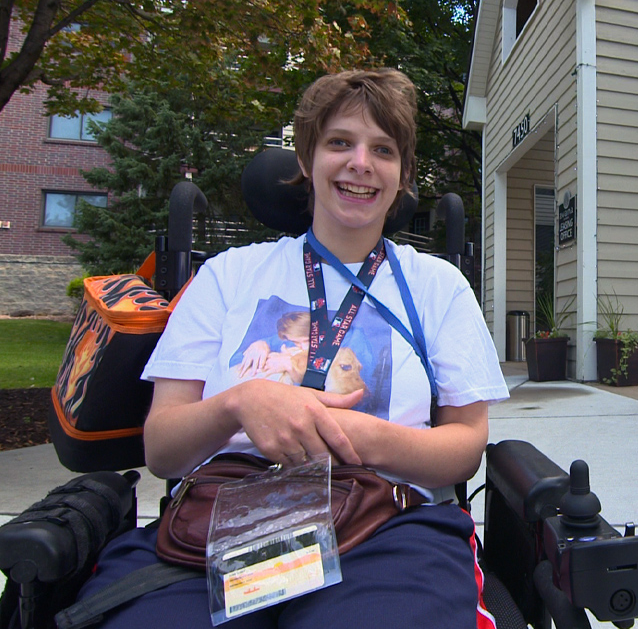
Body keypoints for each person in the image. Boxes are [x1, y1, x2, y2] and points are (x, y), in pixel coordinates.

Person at [77, 69, 509, 628]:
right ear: (306, 160)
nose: (361, 163)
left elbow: (466, 446)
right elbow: (162, 448)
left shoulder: (437, 286)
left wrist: (361, 437)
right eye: (339, 143)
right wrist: (241, 403)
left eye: (383, 149)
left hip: (385, 522)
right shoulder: (227, 276)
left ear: (401, 175)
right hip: (225, 517)